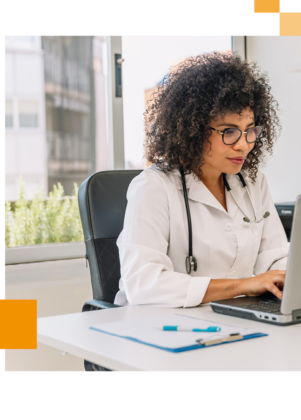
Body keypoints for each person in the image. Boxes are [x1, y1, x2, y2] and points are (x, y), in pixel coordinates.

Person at [114, 52, 288, 308]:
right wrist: (243, 286)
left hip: (233, 318)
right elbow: (144, 284)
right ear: (191, 129)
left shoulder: (252, 182)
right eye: (229, 131)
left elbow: (276, 258)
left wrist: (288, 278)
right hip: (159, 324)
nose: (243, 145)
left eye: (250, 130)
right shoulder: (153, 187)